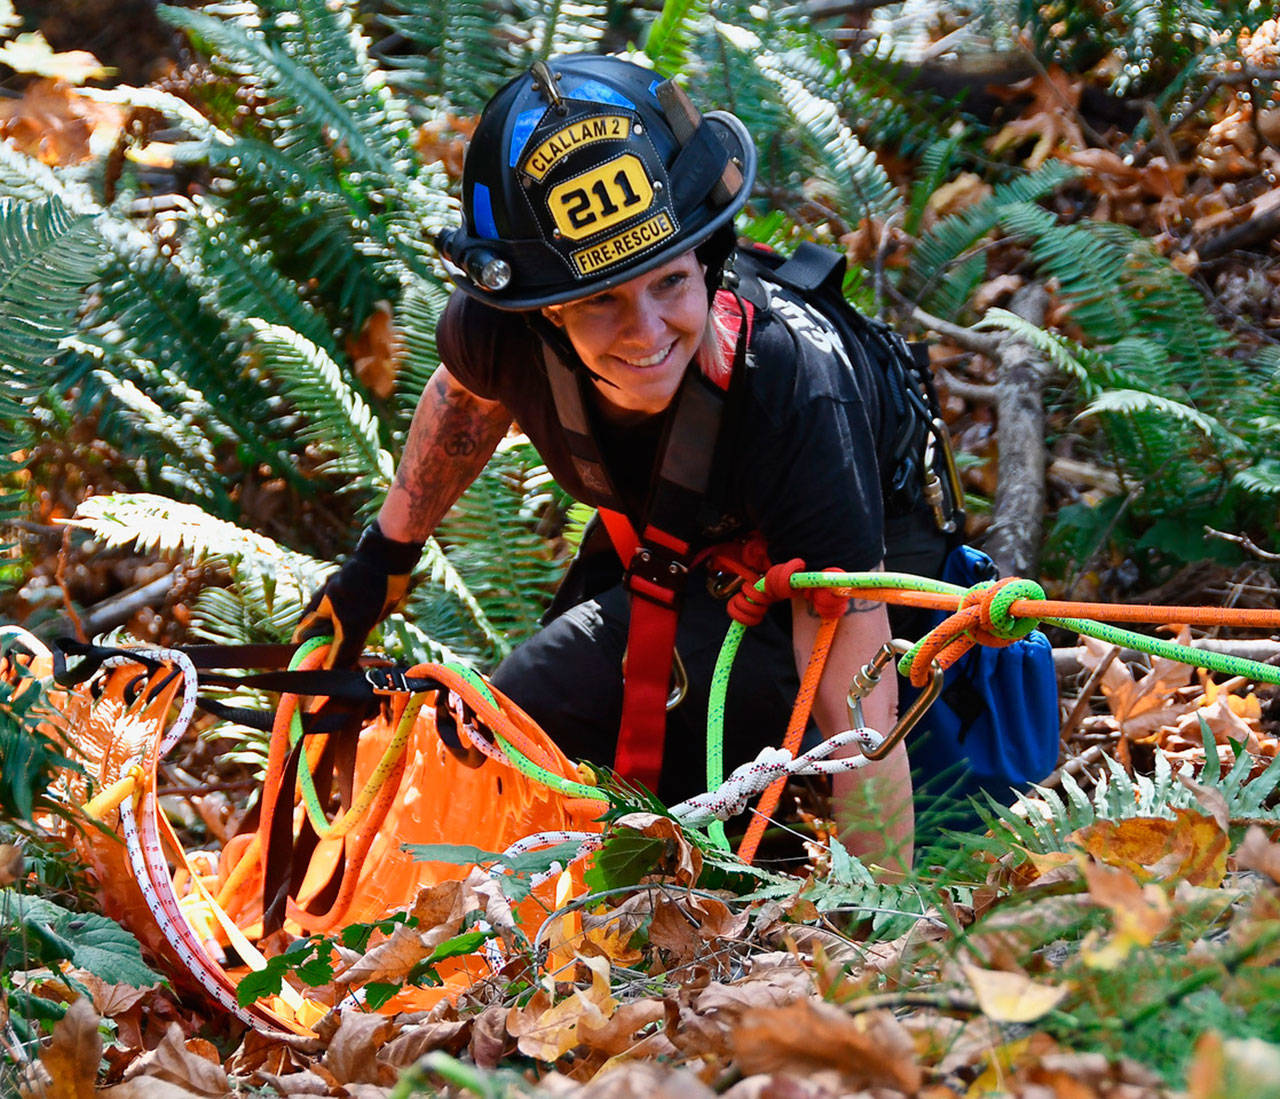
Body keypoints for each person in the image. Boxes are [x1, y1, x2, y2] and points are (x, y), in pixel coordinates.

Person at [297, 54, 946, 870]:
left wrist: (879, 910)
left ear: (708, 261)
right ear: (545, 314)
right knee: (502, 731)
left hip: (844, 584)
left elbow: (855, 686)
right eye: (601, 299)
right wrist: (382, 560)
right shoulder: (506, 329)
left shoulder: (794, 391)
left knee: (696, 784)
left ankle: (739, 887)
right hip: (673, 554)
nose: (644, 331)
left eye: (669, 282)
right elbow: (464, 400)